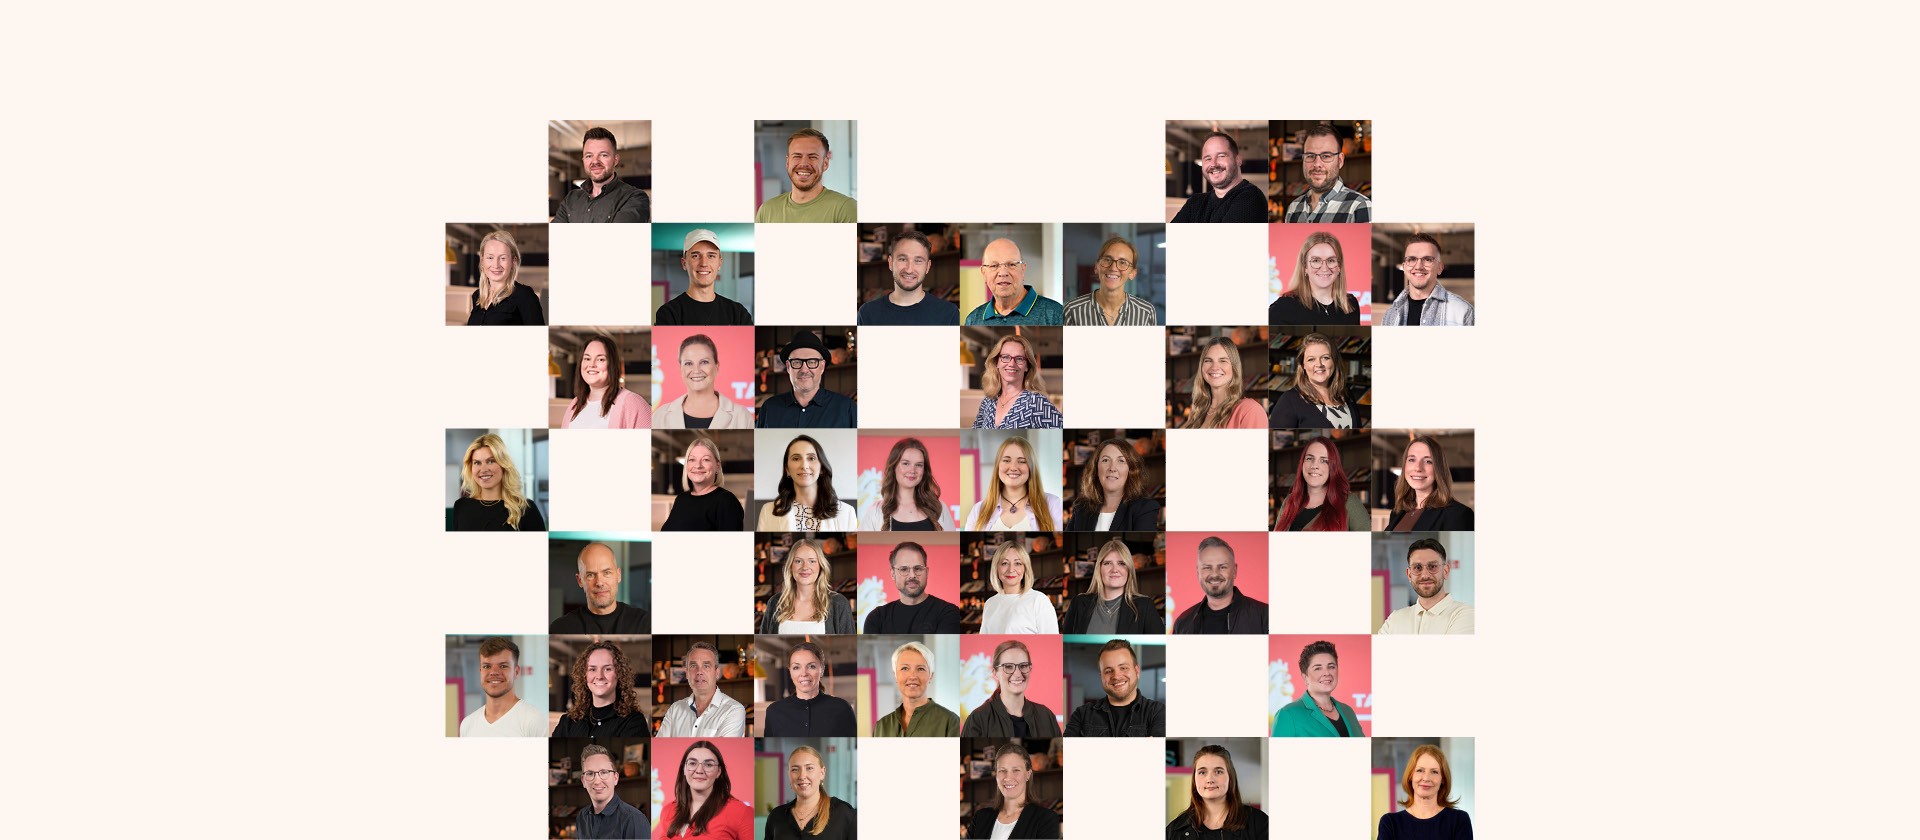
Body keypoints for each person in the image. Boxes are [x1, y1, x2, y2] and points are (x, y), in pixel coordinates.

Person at [551, 640, 650, 741]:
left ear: (619, 674)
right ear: (584, 675)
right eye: (592, 669)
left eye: (607, 669)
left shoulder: (633, 722)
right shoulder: (567, 722)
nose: (599, 676)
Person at [1165, 744, 1269, 840]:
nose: (1210, 779)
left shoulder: (1259, 823)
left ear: (1230, 777)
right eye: (1202, 772)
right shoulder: (1173, 831)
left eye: (1218, 772)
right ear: (1194, 779)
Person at [1063, 639, 1165, 736]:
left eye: (1123, 668)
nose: (1116, 676)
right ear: (1101, 676)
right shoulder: (1082, 715)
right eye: (1108, 671)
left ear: (1137, 671)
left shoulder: (1157, 712)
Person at [961, 639, 1063, 738]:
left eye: (1023, 666)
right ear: (995, 672)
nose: (1018, 674)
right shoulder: (978, 719)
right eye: (1008, 667)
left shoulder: (1046, 716)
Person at [757, 435, 860, 531]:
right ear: (787, 469)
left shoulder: (847, 512)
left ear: (822, 468)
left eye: (811, 458)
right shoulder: (768, 511)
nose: (804, 466)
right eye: (796, 459)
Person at [654, 741, 754, 840]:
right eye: (693, 763)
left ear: (719, 772)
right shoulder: (668, 810)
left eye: (709, 765)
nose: (699, 770)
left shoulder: (741, 812)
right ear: (684, 769)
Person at [858, 228, 960, 325]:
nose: (909, 269)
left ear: (927, 267)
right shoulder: (867, 313)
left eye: (918, 261)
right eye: (902, 259)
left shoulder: (948, 314)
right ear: (890, 263)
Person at [756, 127, 857, 223]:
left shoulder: (846, 209)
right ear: (787, 162)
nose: (804, 163)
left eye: (812, 157)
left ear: (825, 163)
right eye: (797, 156)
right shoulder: (766, 211)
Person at [757, 331, 856, 428]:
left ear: (822, 366)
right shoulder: (769, 409)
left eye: (812, 362)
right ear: (788, 367)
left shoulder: (847, 409)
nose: (804, 369)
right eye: (797, 362)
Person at [1266, 334, 1366, 430]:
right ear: (1303, 365)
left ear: (1334, 361)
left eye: (1325, 358)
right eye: (1311, 359)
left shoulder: (1346, 393)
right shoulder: (1289, 401)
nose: (1319, 364)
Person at [654, 334, 754, 429]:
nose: (696, 370)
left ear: (717, 366)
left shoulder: (742, 417)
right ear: (681, 368)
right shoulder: (660, 416)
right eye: (688, 363)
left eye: (704, 362)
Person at [757, 538, 857, 634]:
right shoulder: (775, 602)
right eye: (798, 561)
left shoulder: (838, 603)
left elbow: (851, 648)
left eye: (812, 561)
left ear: (821, 566)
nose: (805, 567)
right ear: (791, 566)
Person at [450, 433, 547, 531]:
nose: (483, 469)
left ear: (503, 464)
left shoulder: (526, 509)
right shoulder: (461, 507)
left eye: (491, 461)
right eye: (477, 463)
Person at [862, 541, 965, 633]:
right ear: (893, 574)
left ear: (927, 572)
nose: (912, 575)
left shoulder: (947, 612)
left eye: (918, 568)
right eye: (904, 569)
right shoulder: (876, 618)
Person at [965, 742, 1062, 839]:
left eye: (1016, 770)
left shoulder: (1046, 819)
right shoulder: (980, 818)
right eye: (1002, 770)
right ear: (996, 775)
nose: (1008, 777)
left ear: (1028, 775)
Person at [1061, 538, 1160, 633]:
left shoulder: (1144, 606)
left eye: (1121, 563)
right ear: (1099, 569)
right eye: (1107, 563)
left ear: (1129, 569)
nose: (1114, 569)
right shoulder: (1078, 604)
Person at [1171, 536, 1267, 634]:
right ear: (1198, 572)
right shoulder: (1182, 624)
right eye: (1207, 567)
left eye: (1222, 567)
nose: (1215, 574)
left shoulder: (1265, 616)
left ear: (1235, 571)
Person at [554, 126, 650, 223]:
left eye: (603, 155)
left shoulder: (634, 198)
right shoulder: (571, 199)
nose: (595, 161)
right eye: (589, 156)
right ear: (583, 160)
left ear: (615, 160)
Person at [655, 229, 753, 326]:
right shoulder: (669, 314)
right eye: (696, 256)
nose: (704, 263)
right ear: (684, 263)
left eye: (711, 256)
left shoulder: (738, 314)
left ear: (719, 263)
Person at [550, 543, 652, 634]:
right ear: (580, 580)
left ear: (618, 575)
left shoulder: (644, 624)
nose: (599, 582)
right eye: (590, 575)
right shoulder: (561, 629)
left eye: (606, 573)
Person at [966, 437, 1063, 531]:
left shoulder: (1053, 504)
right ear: (997, 466)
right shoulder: (978, 510)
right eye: (1006, 460)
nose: (1013, 467)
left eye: (1021, 461)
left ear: (1031, 467)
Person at [761, 641, 857, 737]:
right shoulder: (774, 711)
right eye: (796, 667)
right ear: (790, 671)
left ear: (822, 669)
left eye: (811, 666)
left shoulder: (842, 709)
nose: (804, 673)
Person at [1377, 745, 1473, 839]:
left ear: (1442, 779)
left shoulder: (1459, 820)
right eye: (1420, 770)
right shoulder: (1390, 823)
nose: (1426, 778)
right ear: (1411, 776)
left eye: (1434, 772)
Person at [1379, 538, 1475, 634]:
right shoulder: (1395, 619)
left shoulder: (1467, 615)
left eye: (1432, 566)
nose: (1425, 575)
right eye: (1417, 567)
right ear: (1409, 575)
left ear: (1445, 571)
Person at [859, 437, 956, 531]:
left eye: (918, 465)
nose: (912, 470)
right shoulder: (874, 512)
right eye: (906, 463)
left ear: (924, 470)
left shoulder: (939, 508)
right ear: (894, 467)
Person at [1272, 438, 1368, 532]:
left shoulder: (1349, 503)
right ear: (1302, 464)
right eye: (1309, 458)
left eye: (1324, 461)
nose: (1314, 466)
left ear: (1333, 467)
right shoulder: (1289, 501)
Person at [763, 745, 857, 840]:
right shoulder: (776, 816)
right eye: (795, 769)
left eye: (809, 768)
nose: (802, 776)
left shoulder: (845, 814)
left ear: (822, 773)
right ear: (789, 775)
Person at [1271, 640, 1362, 737]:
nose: (1327, 673)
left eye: (1331, 667)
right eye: (1318, 668)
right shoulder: (1288, 715)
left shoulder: (1348, 711)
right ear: (1305, 677)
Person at [962, 238, 1064, 325]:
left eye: (1011, 264)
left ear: (1023, 269)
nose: (1003, 273)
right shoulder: (973, 320)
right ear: (983, 273)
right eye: (994, 266)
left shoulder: (1056, 314)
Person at [1170, 131, 1267, 223]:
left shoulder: (1250, 198)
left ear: (1238, 160)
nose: (1213, 164)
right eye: (1208, 158)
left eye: (1221, 156)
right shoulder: (1195, 203)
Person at [1067, 438, 1161, 532]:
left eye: (1121, 461)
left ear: (1131, 469)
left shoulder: (1145, 508)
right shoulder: (1081, 508)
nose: (1112, 468)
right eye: (1105, 460)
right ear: (1096, 469)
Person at [1269, 232, 1361, 326]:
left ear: (1339, 266)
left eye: (1331, 260)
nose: (1324, 268)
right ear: (1305, 267)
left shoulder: (1351, 303)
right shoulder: (1284, 307)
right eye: (1316, 261)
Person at [1381, 233, 1474, 327]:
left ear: (1440, 268)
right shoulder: (1390, 315)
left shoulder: (1463, 312)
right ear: (1404, 267)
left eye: (1427, 260)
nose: (1418, 266)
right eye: (1412, 259)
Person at [1282, 124, 1370, 223]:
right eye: (1310, 156)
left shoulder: (1359, 207)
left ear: (1340, 160)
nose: (1317, 164)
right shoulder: (1293, 208)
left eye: (1326, 156)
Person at [458, 636, 544, 736]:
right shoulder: (467, 724)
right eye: (487, 666)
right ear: (480, 671)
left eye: (503, 666)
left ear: (516, 672)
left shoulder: (533, 721)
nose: (494, 672)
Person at [973, 333, 1063, 429]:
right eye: (1005, 357)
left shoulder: (1036, 402)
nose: (1012, 364)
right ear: (996, 363)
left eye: (1019, 359)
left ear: (1027, 366)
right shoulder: (988, 401)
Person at [1385, 435, 1474, 531]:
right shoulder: (1396, 513)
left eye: (1428, 461)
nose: (1418, 468)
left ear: (1439, 469)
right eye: (1411, 460)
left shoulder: (1458, 515)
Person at [561, 334, 652, 428]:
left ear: (612, 364)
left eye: (600, 359)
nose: (591, 364)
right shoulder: (575, 404)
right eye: (587, 358)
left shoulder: (633, 403)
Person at [657, 642, 745, 737]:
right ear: (687, 673)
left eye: (706, 666)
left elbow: (721, 751)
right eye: (693, 666)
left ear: (717, 673)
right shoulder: (675, 709)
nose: (699, 672)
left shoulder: (733, 710)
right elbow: (659, 749)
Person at [1063, 236, 1157, 325]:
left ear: (1132, 273)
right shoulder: (1071, 310)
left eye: (1122, 262)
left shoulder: (1146, 312)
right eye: (1107, 259)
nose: (1113, 268)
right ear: (1096, 267)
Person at [873, 641, 959, 736]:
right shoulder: (881, 727)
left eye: (920, 669)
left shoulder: (950, 722)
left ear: (931, 676)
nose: (912, 676)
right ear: (895, 675)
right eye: (905, 668)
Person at [661, 435, 745, 531]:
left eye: (706, 459)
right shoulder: (681, 499)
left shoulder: (726, 501)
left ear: (717, 466)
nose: (698, 465)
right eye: (692, 460)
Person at [1181, 336, 1266, 429]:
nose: (1214, 367)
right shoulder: (1197, 410)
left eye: (1223, 361)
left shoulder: (1250, 410)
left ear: (1234, 367)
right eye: (1208, 360)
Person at [465, 229, 545, 326]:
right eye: (490, 257)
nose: (496, 265)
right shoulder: (477, 296)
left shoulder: (525, 296)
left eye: (503, 258)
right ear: (482, 261)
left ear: (513, 261)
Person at [979, 542, 1060, 634]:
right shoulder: (990, 603)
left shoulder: (1039, 601)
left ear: (1025, 568)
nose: (1011, 569)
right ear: (996, 568)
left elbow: (1050, 644)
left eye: (1017, 563)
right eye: (1004, 563)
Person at [575, 744, 649, 839]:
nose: (597, 781)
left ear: (615, 778)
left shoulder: (634, 819)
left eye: (604, 772)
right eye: (590, 773)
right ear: (583, 781)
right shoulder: (582, 817)